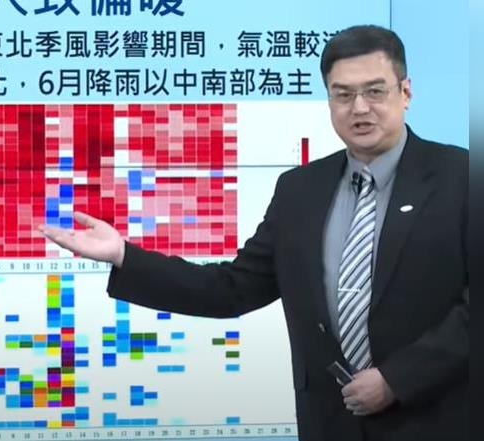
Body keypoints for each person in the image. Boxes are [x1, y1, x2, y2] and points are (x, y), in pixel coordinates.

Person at [39, 25, 468, 441]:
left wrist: (397, 379)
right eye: (343, 94)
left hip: (440, 416)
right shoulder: (301, 190)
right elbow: (233, 288)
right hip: (331, 422)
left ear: (405, 93)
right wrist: (123, 256)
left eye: (375, 91)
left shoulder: (461, 177)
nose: (359, 108)